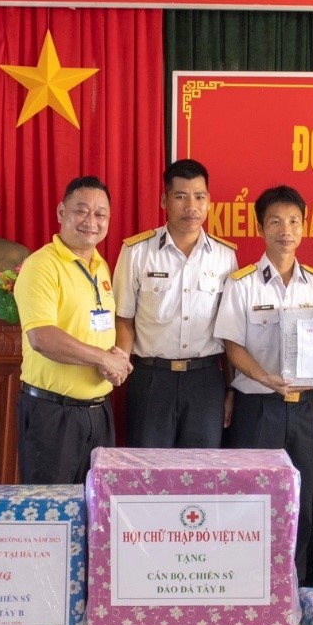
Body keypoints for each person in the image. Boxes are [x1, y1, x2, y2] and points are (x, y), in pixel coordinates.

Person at [213, 185, 313, 583]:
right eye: (276, 221)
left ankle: (292, 586)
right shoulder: (242, 283)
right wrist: (265, 378)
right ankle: (246, 585)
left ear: (305, 226)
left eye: (294, 221)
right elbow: (232, 348)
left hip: (304, 410)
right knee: (251, 501)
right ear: (261, 226)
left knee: (303, 501)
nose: (286, 230)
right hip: (257, 408)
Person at [12, 176, 131, 486]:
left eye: (100, 214)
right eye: (81, 210)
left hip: (98, 413)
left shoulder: (100, 266)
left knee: (96, 511)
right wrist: (103, 360)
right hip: (54, 414)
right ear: (61, 212)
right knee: (50, 516)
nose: (91, 221)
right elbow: (43, 338)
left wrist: (116, 355)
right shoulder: (41, 266)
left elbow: (97, 324)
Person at [112, 159, 238, 448]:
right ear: (164, 200)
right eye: (180, 196)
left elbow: (229, 330)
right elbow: (124, 320)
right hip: (151, 378)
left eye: (199, 197)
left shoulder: (225, 257)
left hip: (206, 380)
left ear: (209, 202)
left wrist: (230, 388)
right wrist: (121, 368)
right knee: (147, 472)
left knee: (202, 474)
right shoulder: (136, 251)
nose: (191, 206)